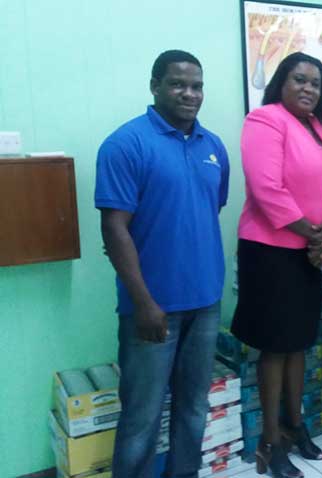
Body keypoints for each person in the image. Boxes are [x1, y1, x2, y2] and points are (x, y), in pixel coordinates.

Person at [95, 50, 230, 477]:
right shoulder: (126, 144)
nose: (189, 94)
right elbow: (114, 229)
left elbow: (208, 210)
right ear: (155, 86)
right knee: (142, 418)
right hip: (152, 308)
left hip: (205, 303)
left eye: (196, 86)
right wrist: (143, 302)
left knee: (193, 407)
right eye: (177, 84)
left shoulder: (214, 147)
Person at [230, 52, 322, 478]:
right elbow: (266, 188)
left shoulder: (320, 128)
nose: (308, 89)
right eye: (299, 79)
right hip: (271, 251)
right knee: (275, 344)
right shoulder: (265, 120)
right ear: (281, 82)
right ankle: (269, 441)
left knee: (299, 341)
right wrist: (311, 235)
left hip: (311, 251)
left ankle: (296, 426)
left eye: (316, 83)